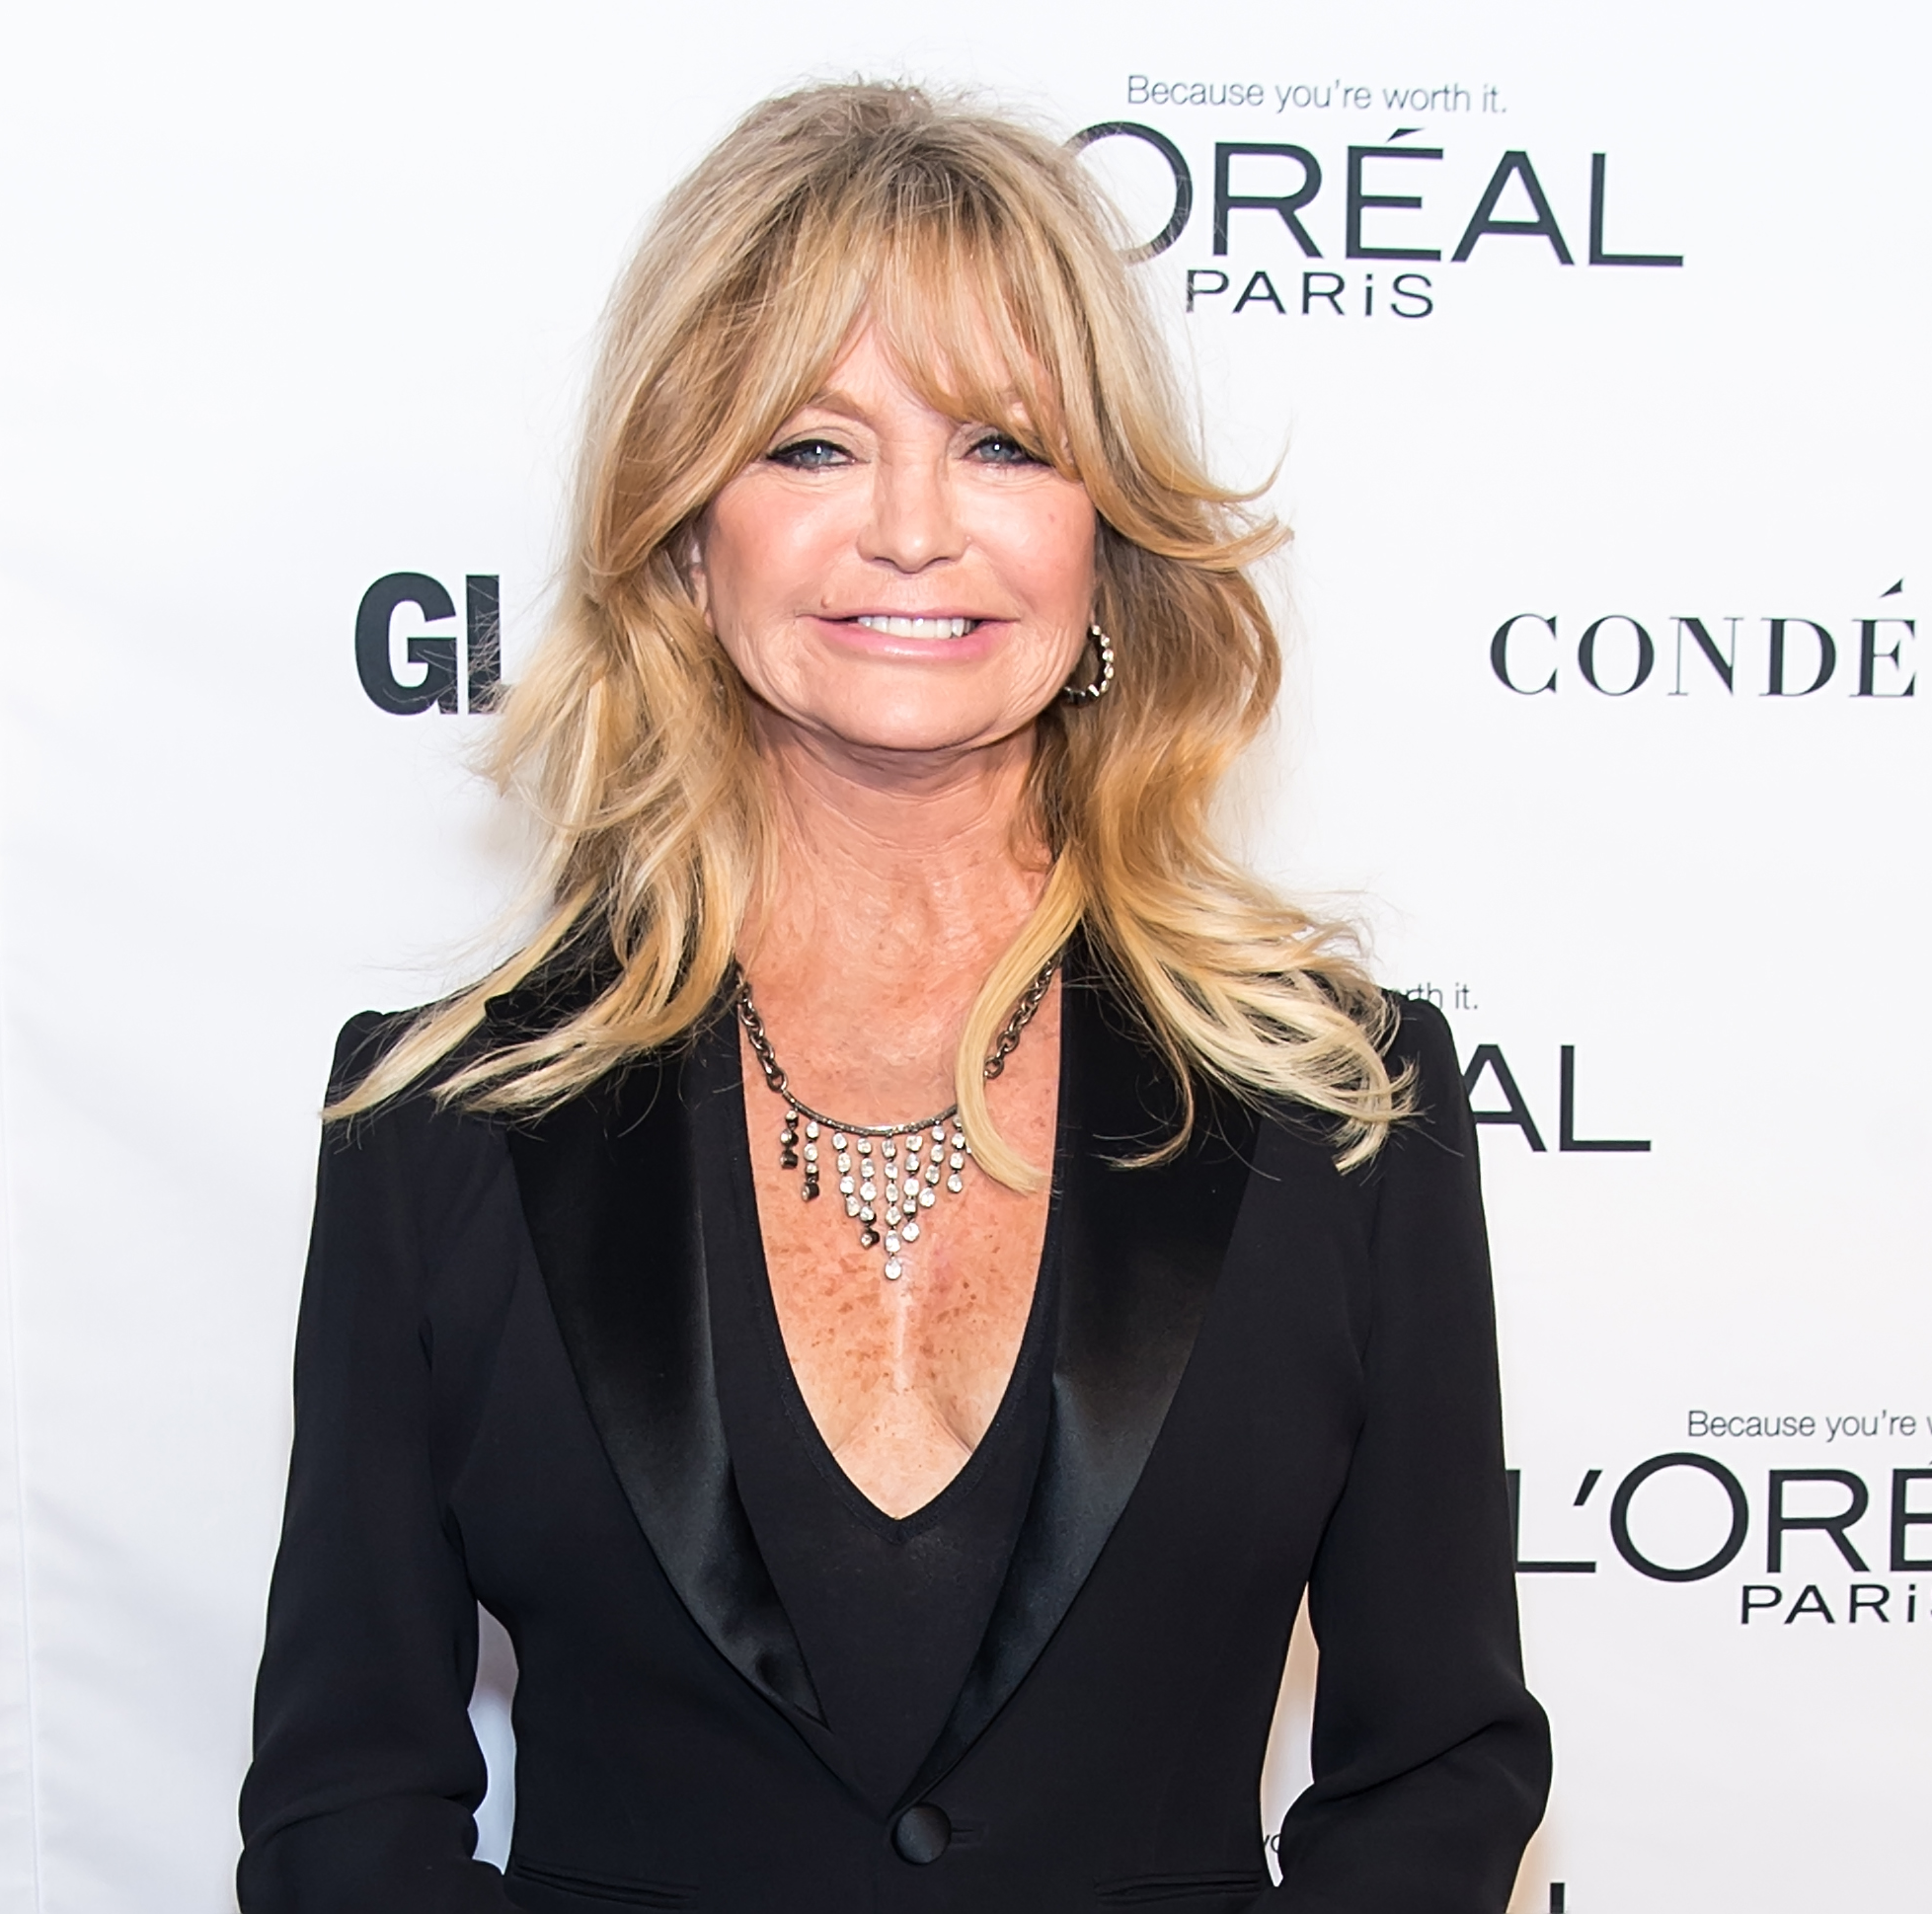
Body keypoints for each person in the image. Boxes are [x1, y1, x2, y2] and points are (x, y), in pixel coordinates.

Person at [236, 81, 1549, 1914]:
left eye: (1005, 443)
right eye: (811, 447)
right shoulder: (441, 1122)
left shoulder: (1343, 1098)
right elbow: (343, 1814)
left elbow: (1437, 1766)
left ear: (1106, 535)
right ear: (688, 539)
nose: (914, 530)